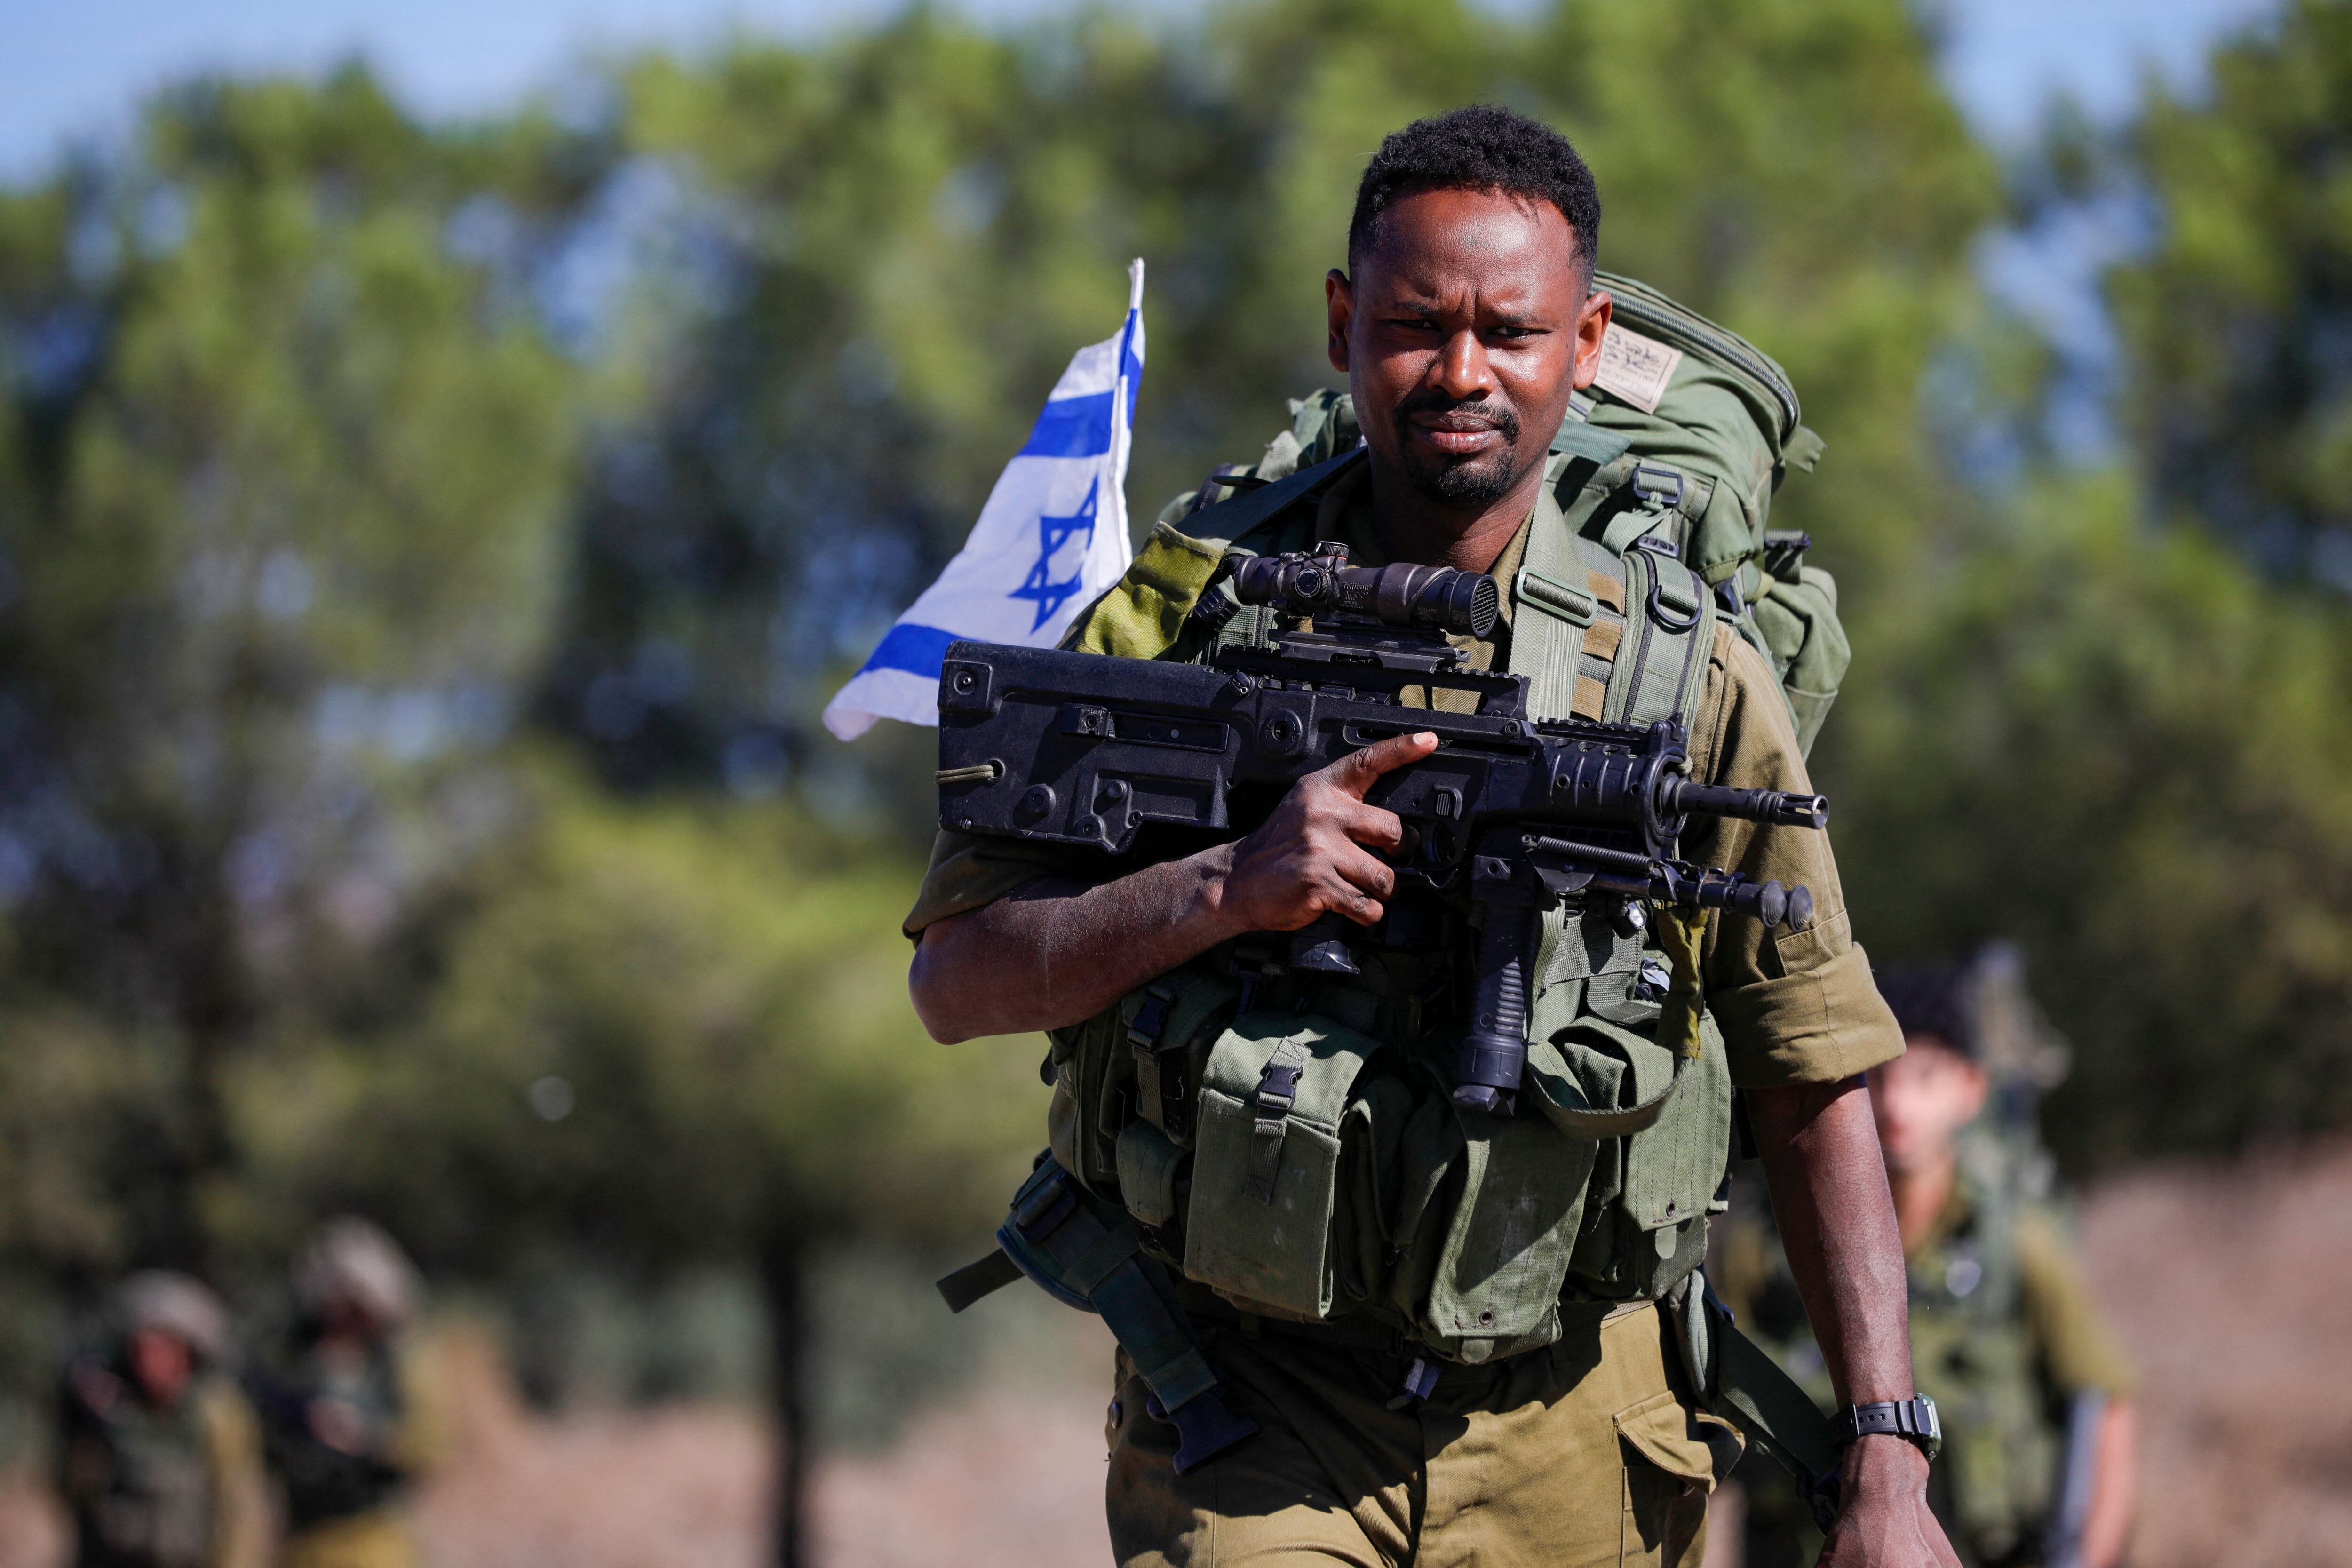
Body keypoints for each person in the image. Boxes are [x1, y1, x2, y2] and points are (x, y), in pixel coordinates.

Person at [908, 107, 1956, 1566]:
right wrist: (1227, 884)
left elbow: (1812, 1074)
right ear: (1343, 322)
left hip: (1577, 1416)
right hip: (1247, 1411)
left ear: (1583, 346)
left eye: (1509, 333)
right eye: (1413, 325)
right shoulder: (1180, 616)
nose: (1461, 373)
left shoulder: (1682, 673)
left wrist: (1888, 1460)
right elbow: (957, 979)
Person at [1714, 959, 2138, 1568]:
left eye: (1926, 1077)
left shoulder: (2014, 1240)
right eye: (1875, 1078)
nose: (1896, 1104)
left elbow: (2104, 1403)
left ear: (1971, 1088)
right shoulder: (1763, 1242)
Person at [248, 1218, 441, 1568]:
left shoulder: (397, 1365)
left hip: (374, 1540)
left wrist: (367, 1439)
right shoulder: (288, 1360)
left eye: (357, 1303)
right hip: (302, 1540)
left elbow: (429, 1446)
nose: (345, 1314)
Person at [56, 1272, 267, 1568]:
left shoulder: (216, 1415)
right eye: (142, 1349)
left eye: (165, 1348)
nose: (151, 1361)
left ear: (189, 1354)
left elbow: (241, 1511)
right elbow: (76, 1495)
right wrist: (88, 1424)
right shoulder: (112, 1412)